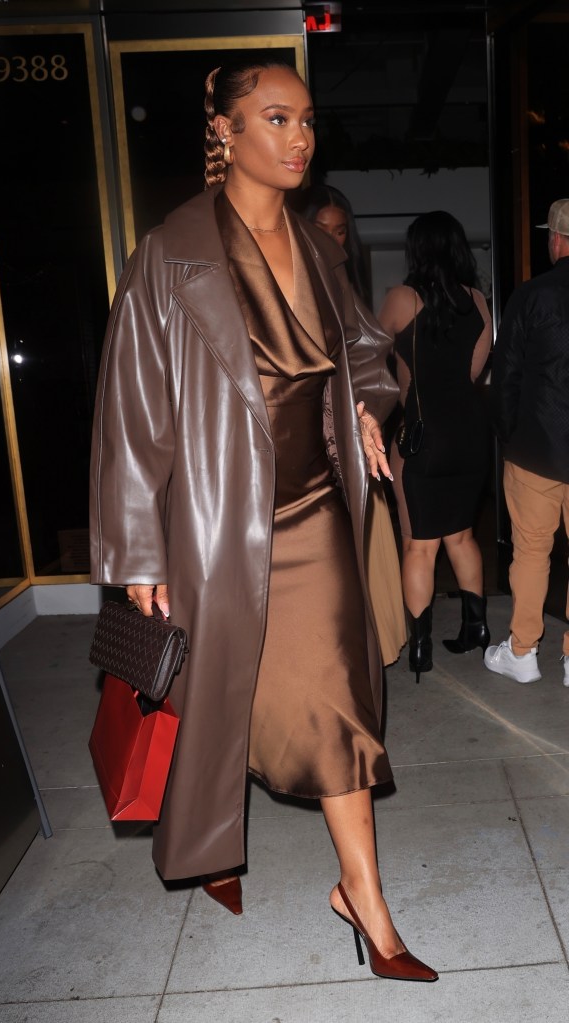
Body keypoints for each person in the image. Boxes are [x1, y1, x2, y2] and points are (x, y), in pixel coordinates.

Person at [89, 58, 437, 982]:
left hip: (318, 510)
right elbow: (131, 410)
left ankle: (362, 896)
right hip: (214, 521)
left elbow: (365, 349)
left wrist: (367, 404)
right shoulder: (172, 253)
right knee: (224, 696)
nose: (299, 138)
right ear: (227, 132)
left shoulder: (319, 245)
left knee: (340, 702)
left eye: (307, 120)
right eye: (275, 119)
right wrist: (133, 549)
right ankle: (209, 840)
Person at [377, 211, 492, 682]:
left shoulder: (402, 298)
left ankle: (421, 649)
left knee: (418, 546)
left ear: (417, 250)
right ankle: (476, 629)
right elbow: (472, 372)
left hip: (424, 435)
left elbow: (366, 354)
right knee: (462, 536)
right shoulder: (479, 300)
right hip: (470, 432)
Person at [299, 182, 406, 668]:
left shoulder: (347, 293)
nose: (333, 241)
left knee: (368, 560)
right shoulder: (290, 287)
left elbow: (370, 369)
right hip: (304, 456)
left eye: (341, 231)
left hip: (354, 449)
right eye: (323, 229)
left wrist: (365, 419)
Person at [484, 198, 569, 687]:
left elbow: (506, 376)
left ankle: (523, 652)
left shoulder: (532, 296)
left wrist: (507, 434)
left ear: (555, 240)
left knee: (533, 552)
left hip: (537, 447)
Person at [294, 183, 373, 306]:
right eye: (320, 230)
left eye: (339, 232)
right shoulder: (287, 276)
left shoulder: (348, 284)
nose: (330, 240)